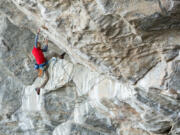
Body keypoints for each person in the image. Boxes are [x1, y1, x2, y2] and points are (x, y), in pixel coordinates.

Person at [32, 29, 65, 95]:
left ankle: (60, 56)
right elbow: (36, 41)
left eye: (40, 45)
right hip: (42, 66)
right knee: (47, 78)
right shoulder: (35, 49)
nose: (40, 45)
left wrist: (46, 43)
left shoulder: (39, 49)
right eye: (39, 44)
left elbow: (45, 49)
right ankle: (39, 88)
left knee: (53, 53)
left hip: (44, 61)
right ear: (37, 45)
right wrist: (37, 33)